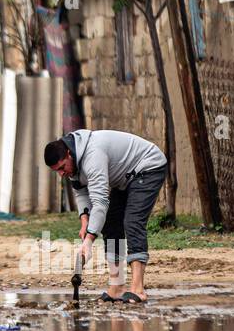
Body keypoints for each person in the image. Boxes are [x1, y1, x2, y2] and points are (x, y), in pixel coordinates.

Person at [44, 129, 168, 304]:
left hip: (148, 166)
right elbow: (81, 193)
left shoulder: (92, 155)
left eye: (62, 167)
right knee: (111, 224)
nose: (62, 174)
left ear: (69, 154)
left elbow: (100, 202)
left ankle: (138, 289)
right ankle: (117, 286)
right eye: (57, 171)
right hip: (125, 177)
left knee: (132, 221)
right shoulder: (73, 164)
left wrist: (88, 241)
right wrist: (84, 221)